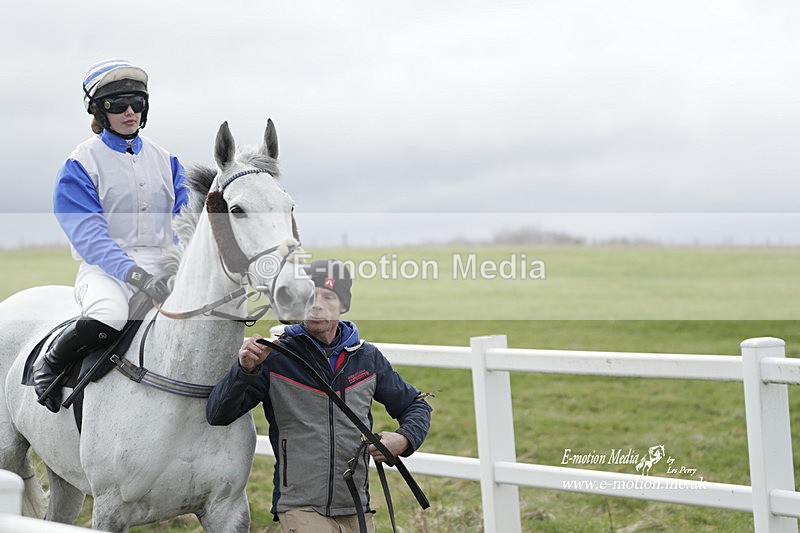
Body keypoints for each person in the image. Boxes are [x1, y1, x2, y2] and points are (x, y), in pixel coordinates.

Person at [206, 259, 432, 533]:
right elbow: (218, 414)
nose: (317, 305)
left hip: (358, 506)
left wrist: (405, 438)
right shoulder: (275, 358)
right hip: (299, 506)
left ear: (343, 305)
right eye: (310, 296)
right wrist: (244, 371)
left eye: (328, 296)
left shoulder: (367, 358)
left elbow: (415, 405)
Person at [34, 59, 188, 413]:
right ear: (99, 112)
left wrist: (177, 267)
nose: (130, 112)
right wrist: (137, 276)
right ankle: (51, 363)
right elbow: (89, 236)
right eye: (117, 105)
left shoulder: (168, 160)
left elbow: (185, 222)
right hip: (106, 269)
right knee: (111, 316)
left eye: (138, 103)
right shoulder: (80, 163)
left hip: (164, 265)